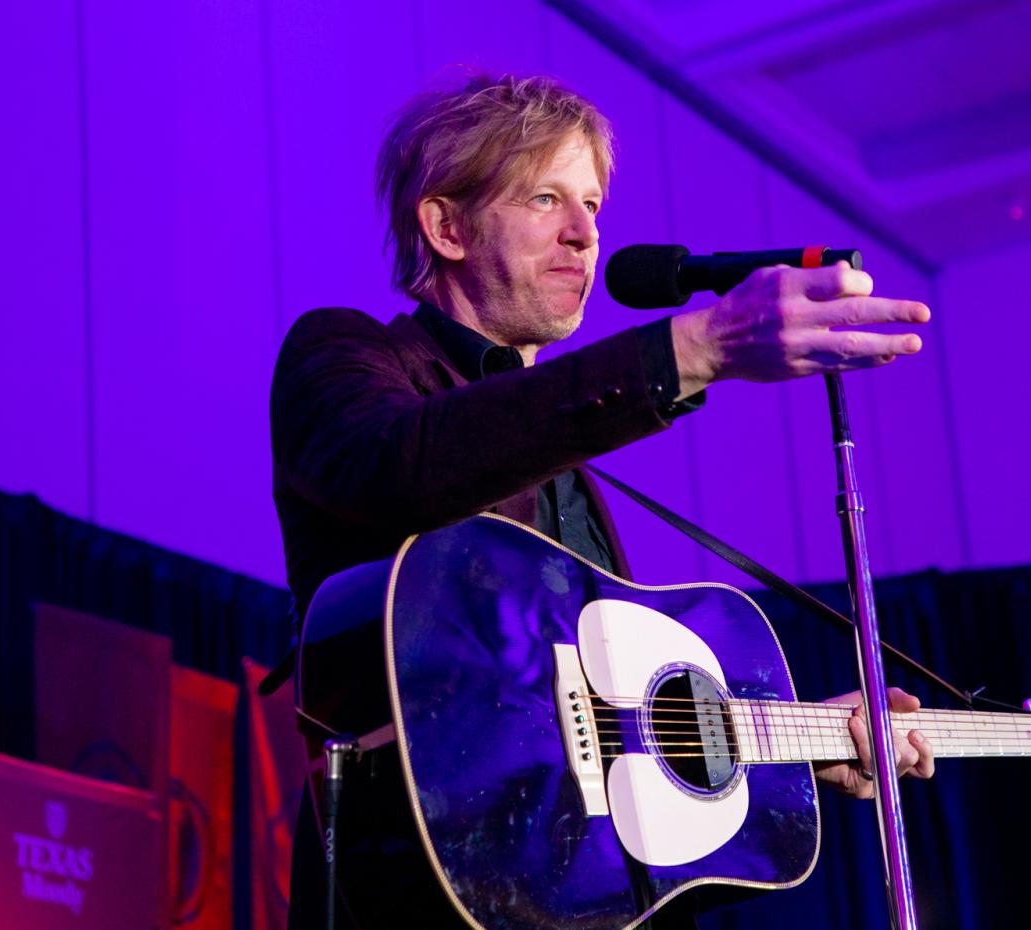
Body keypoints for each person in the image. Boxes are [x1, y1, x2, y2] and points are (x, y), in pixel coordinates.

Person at [271, 73, 936, 930]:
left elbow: (589, 735)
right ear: (446, 226)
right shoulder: (347, 357)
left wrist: (800, 741)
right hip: (415, 889)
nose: (585, 235)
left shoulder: (569, 468)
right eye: (546, 198)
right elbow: (400, 468)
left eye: (591, 203)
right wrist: (693, 346)